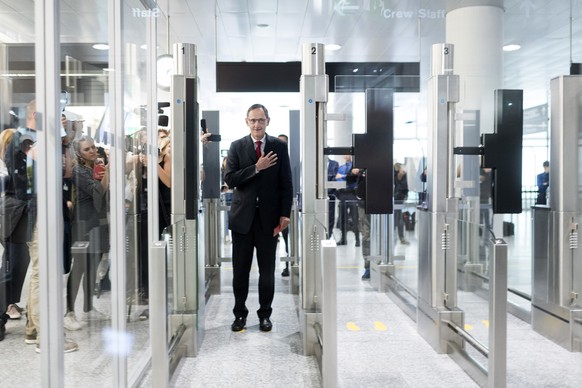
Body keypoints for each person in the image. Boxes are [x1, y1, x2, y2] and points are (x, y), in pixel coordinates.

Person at [4, 100, 78, 352]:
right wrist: (55, 132)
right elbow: (38, 157)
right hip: (33, 213)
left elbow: (66, 172)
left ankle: (35, 330)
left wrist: (65, 142)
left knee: (41, 271)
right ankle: (43, 335)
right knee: (42, 271)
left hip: (43, 211)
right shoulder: (23, 136)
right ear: (36, 114)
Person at [224, 103, 293, 332]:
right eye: (253, 120)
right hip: (242, 220)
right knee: (240, 271)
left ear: (268, 121)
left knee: (267, 272)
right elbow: (231, 179)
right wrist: (257, 167)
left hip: (269, 219)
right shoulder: (236, 146)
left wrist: (285, 214)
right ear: (247, 122)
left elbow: (286, 183)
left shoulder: (279, 147)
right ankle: (239, 314)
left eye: (261, 120)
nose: (257, 124)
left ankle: (265, 314)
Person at [64, 135, 110, 331]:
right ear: (79, 154)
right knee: (80, 267)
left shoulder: (96, 167)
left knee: (93, 264)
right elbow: (98, 192)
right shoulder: (78, 171)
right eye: (87, 149)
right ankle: (69, 312)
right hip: (83, 223)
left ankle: (88, 307)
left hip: (99, 221)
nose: (92, 151)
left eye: (93, 147)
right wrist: (109, 173)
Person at [335, 155, 360, 246]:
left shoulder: (355, 167)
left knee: (355, 218)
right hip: (343, 194)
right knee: (342, 218)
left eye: (348, 154)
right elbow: (338, 178)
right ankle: (343, 239)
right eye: (345, 155)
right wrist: (345, 176)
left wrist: (343, 176)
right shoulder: (341, 167)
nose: (346, 156)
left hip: (352, 194)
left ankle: (357, 239)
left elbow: (353, 179)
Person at [352, 167, 371, 279]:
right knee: (366, 236)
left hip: (380, 206)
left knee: (380, 236)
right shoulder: (361, 170)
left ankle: (379, 263)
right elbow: (358, 189)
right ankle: (368, 266)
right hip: (364, 206)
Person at [277, 134, 291, 277]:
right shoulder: (270, 160)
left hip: (285, 209)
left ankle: (288, 265)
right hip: (272, 209)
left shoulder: (288, 161)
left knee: (288, 239)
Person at [394, 162, 409, 245]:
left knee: (399, 218)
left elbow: (404, 187)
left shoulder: (402, 175)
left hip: (398, 199)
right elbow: (405, 188)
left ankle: (400, 237)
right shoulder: (396, 174)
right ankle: (400, 237)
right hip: (397, 198)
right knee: (398, 218)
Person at [327, 157, 339, 239]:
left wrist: (329, 190)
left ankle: (329, 235)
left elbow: (335, 178)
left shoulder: (334, 164)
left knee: (331, 216)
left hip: (331, 195)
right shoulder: (315, 163)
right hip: (317, 196)